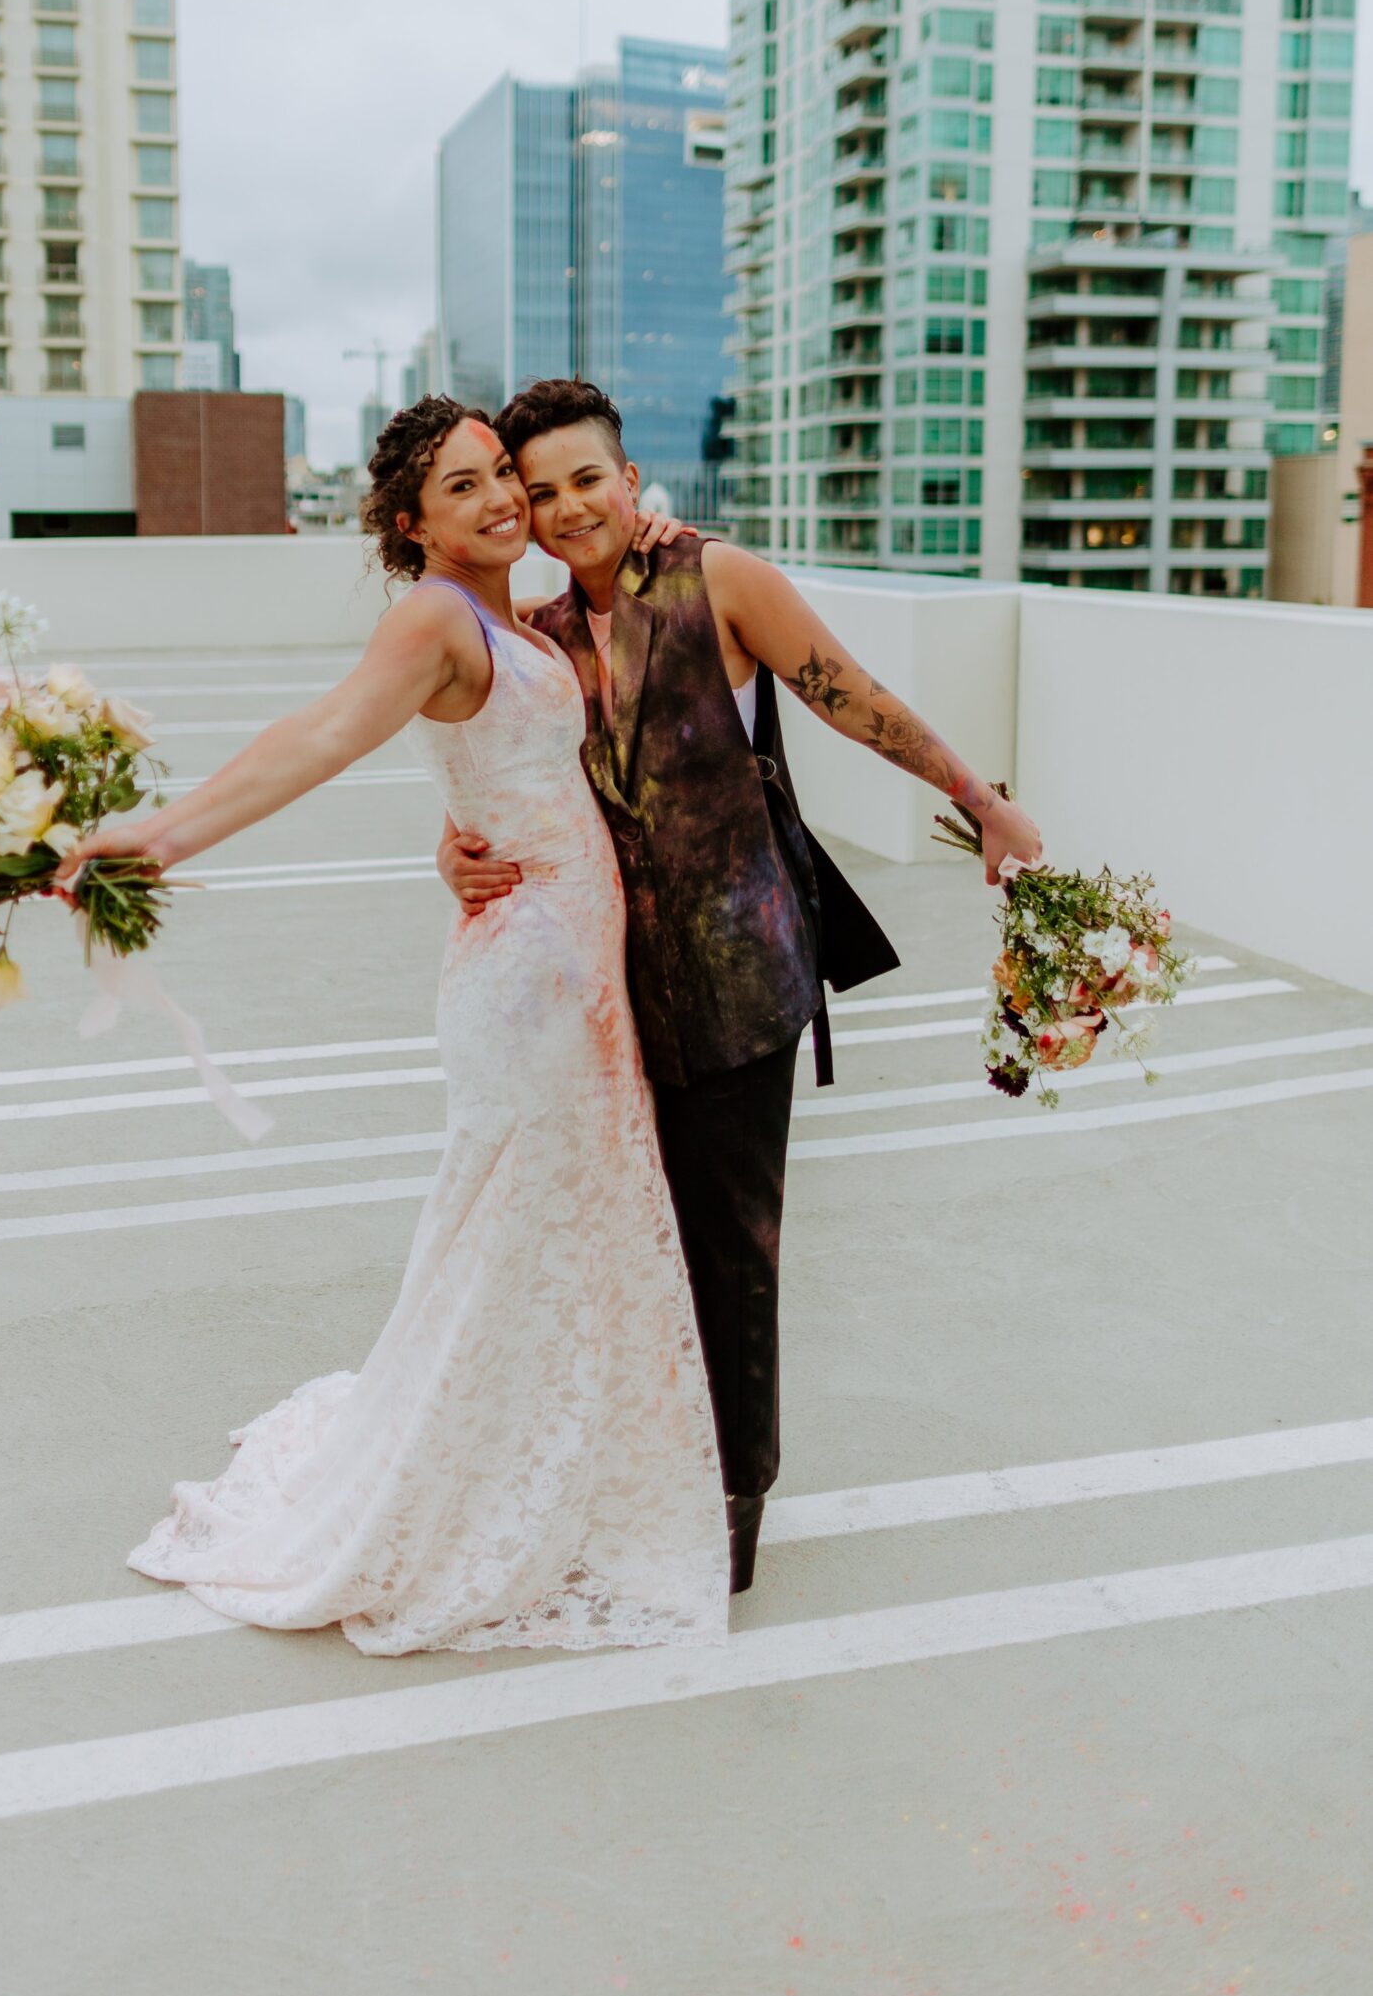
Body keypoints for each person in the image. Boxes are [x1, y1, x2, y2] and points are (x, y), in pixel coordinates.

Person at [56, 397, 731, 1657]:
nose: (498, 503)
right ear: (409, 521)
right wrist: (157, 837)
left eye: (500, 479)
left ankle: (546, 1449)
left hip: (562, 959)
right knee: (517, 1227)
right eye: (462, 488)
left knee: (549, 1226)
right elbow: (317, 738)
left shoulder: (506, 616)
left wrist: (657, 540)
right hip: (527, 977)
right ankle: (479, 1479)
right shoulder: (434, 614)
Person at [437, 377, 1043, 1591]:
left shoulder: (717, 580)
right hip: (604, 997)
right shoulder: (545, 640)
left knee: (734, 1247)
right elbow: (515, 782)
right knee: (632, 1240)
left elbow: (855, 700)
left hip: (739, 979)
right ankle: (638, 1459)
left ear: (631, 476)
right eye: (540, 490)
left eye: (587, 480)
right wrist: (450, 852)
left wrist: (979, 799)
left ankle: (735, 1495)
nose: (566, 509)